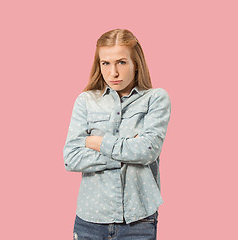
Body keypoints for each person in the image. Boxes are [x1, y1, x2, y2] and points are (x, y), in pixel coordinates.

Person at [63, 29, 171, 240]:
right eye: (106, 63)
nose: (113, 72)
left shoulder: (155, 99)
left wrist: (96, 142)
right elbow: (71, 158)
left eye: (121, 62)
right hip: (90, 220)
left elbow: (148, 151)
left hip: (138, 221)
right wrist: (128, 151)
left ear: (136, 63)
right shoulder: (86, 101)